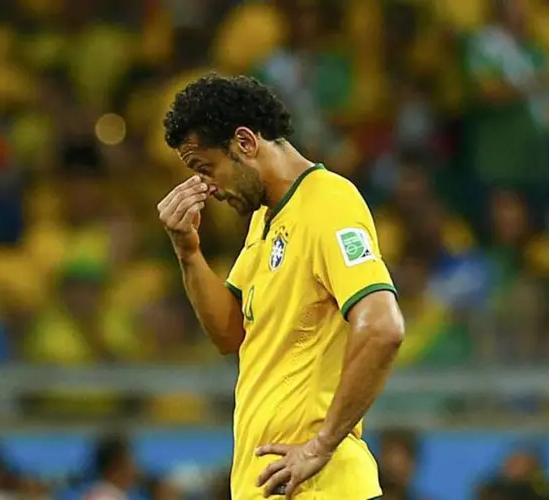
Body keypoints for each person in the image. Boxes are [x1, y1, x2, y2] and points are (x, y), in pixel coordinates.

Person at [157, 74, 405, 500]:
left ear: (245, 143)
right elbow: (231, 333)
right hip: (274, 486)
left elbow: (383, 327)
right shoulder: (264, 220)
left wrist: (322, 444)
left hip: (322, 489)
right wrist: (188, 251)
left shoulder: (329, 202)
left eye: (205, 168)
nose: (208, 188)